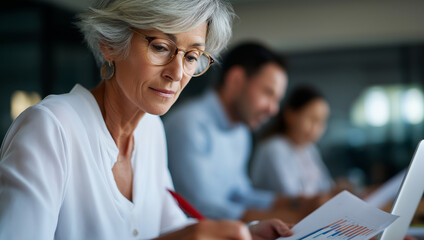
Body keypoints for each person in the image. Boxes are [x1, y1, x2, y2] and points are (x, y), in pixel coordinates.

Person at [0, 1, 294, 239]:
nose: (177, 73)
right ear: (109, 44)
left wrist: (247, 234)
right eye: (161, 47)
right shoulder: (50, 128)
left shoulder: (151, 129)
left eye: (192, 56)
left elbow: (170, 228)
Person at [165, 42, 320, 224]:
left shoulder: (241, 131)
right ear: (236, 80)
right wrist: (298, 217)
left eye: (277, 99)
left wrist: (297, 203)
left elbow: (239, 194)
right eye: (268, 93)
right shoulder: (188, 124)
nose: (273, 110)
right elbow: (202, 208)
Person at [250, 85, 334, 197]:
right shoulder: (274, 149)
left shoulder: (309, 150)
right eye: (311, 119)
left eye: (321, 122)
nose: (316, 129)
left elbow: (326, 186)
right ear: (290, 115)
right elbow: (292, 198)